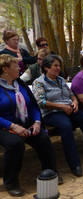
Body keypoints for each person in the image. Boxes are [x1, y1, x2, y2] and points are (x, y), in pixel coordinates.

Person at [33, 55, 83, 177]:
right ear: (46, 68)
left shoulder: (60, 80)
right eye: (55, 65)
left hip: (69, 109)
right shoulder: (39, 82)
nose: (58, 68)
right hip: (52, 113)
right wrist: (61, 106)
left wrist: (75, 102)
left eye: (59, 65)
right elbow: (41, 102)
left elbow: (71, 94)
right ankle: (75, 164)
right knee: (66, 126)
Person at [0, 54, 57, 197]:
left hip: (26, 124)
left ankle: (50, 174)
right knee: (15, 144)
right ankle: (11, 183)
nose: (20, 68)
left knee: (43, 138)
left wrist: (37, 122)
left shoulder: (20, 83)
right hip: (4, 127)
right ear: (5, 69)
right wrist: (13, 126)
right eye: (15, 66)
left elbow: (32, 105)